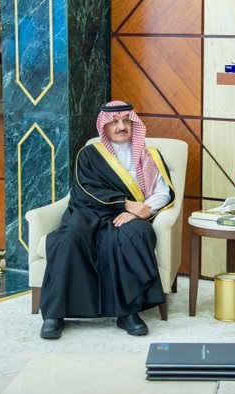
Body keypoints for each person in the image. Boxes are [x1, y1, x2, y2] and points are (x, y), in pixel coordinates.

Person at [38, 100, 175, 340]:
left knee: (135, 235)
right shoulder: (89, 154)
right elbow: (86, 190)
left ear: (133, 124)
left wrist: (135, 212)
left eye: (126, 121)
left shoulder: (149, 155)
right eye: (114, 122)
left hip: (128, 216)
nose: (121, 127)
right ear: (104, 127)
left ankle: (128, 312)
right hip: (89, 212)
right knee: (69, 239)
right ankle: (55, 314)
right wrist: (125, 203)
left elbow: (162, 193)